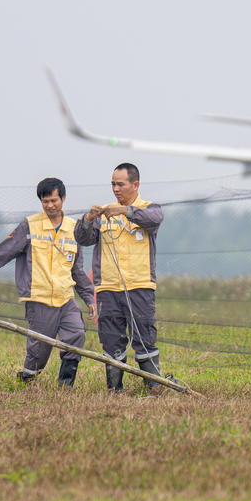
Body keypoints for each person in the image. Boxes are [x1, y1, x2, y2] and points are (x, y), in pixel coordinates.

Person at [0, 177, 94, 386]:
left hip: (66, 298)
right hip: (39, 298)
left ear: (63, 199)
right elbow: (2, 253)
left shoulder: (74, 229)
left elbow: (78, 270)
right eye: (45, 202)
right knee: (39, 351)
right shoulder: (29, 226)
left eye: (54, 201)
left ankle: (65, 386)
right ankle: (26, 381)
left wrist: (89, 298)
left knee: (76, 335)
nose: (50, 206)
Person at [75, 162, 164, 392]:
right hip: (108, 288)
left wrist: (125, 211)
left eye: (120, 184)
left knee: (144, 338)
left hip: (140, 286)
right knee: (111, 341)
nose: (115, 189)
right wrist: (87, 219)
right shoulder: (104, 213)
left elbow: (155, 219)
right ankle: (114, 390)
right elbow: (83, 238)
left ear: (135, 184)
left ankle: (153, 386)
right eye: (113, 184)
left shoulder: (148, 208)